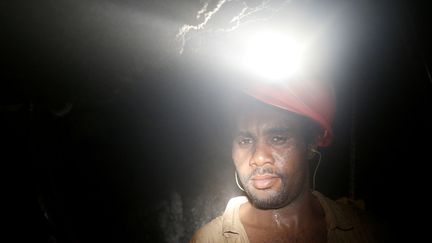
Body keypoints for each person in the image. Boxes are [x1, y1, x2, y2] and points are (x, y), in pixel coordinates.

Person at [190, 79, 381, 243]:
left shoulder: (365, 232)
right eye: (245, 141)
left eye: (277, 138)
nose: (258, 158)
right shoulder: (211, 239)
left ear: (311, 144)